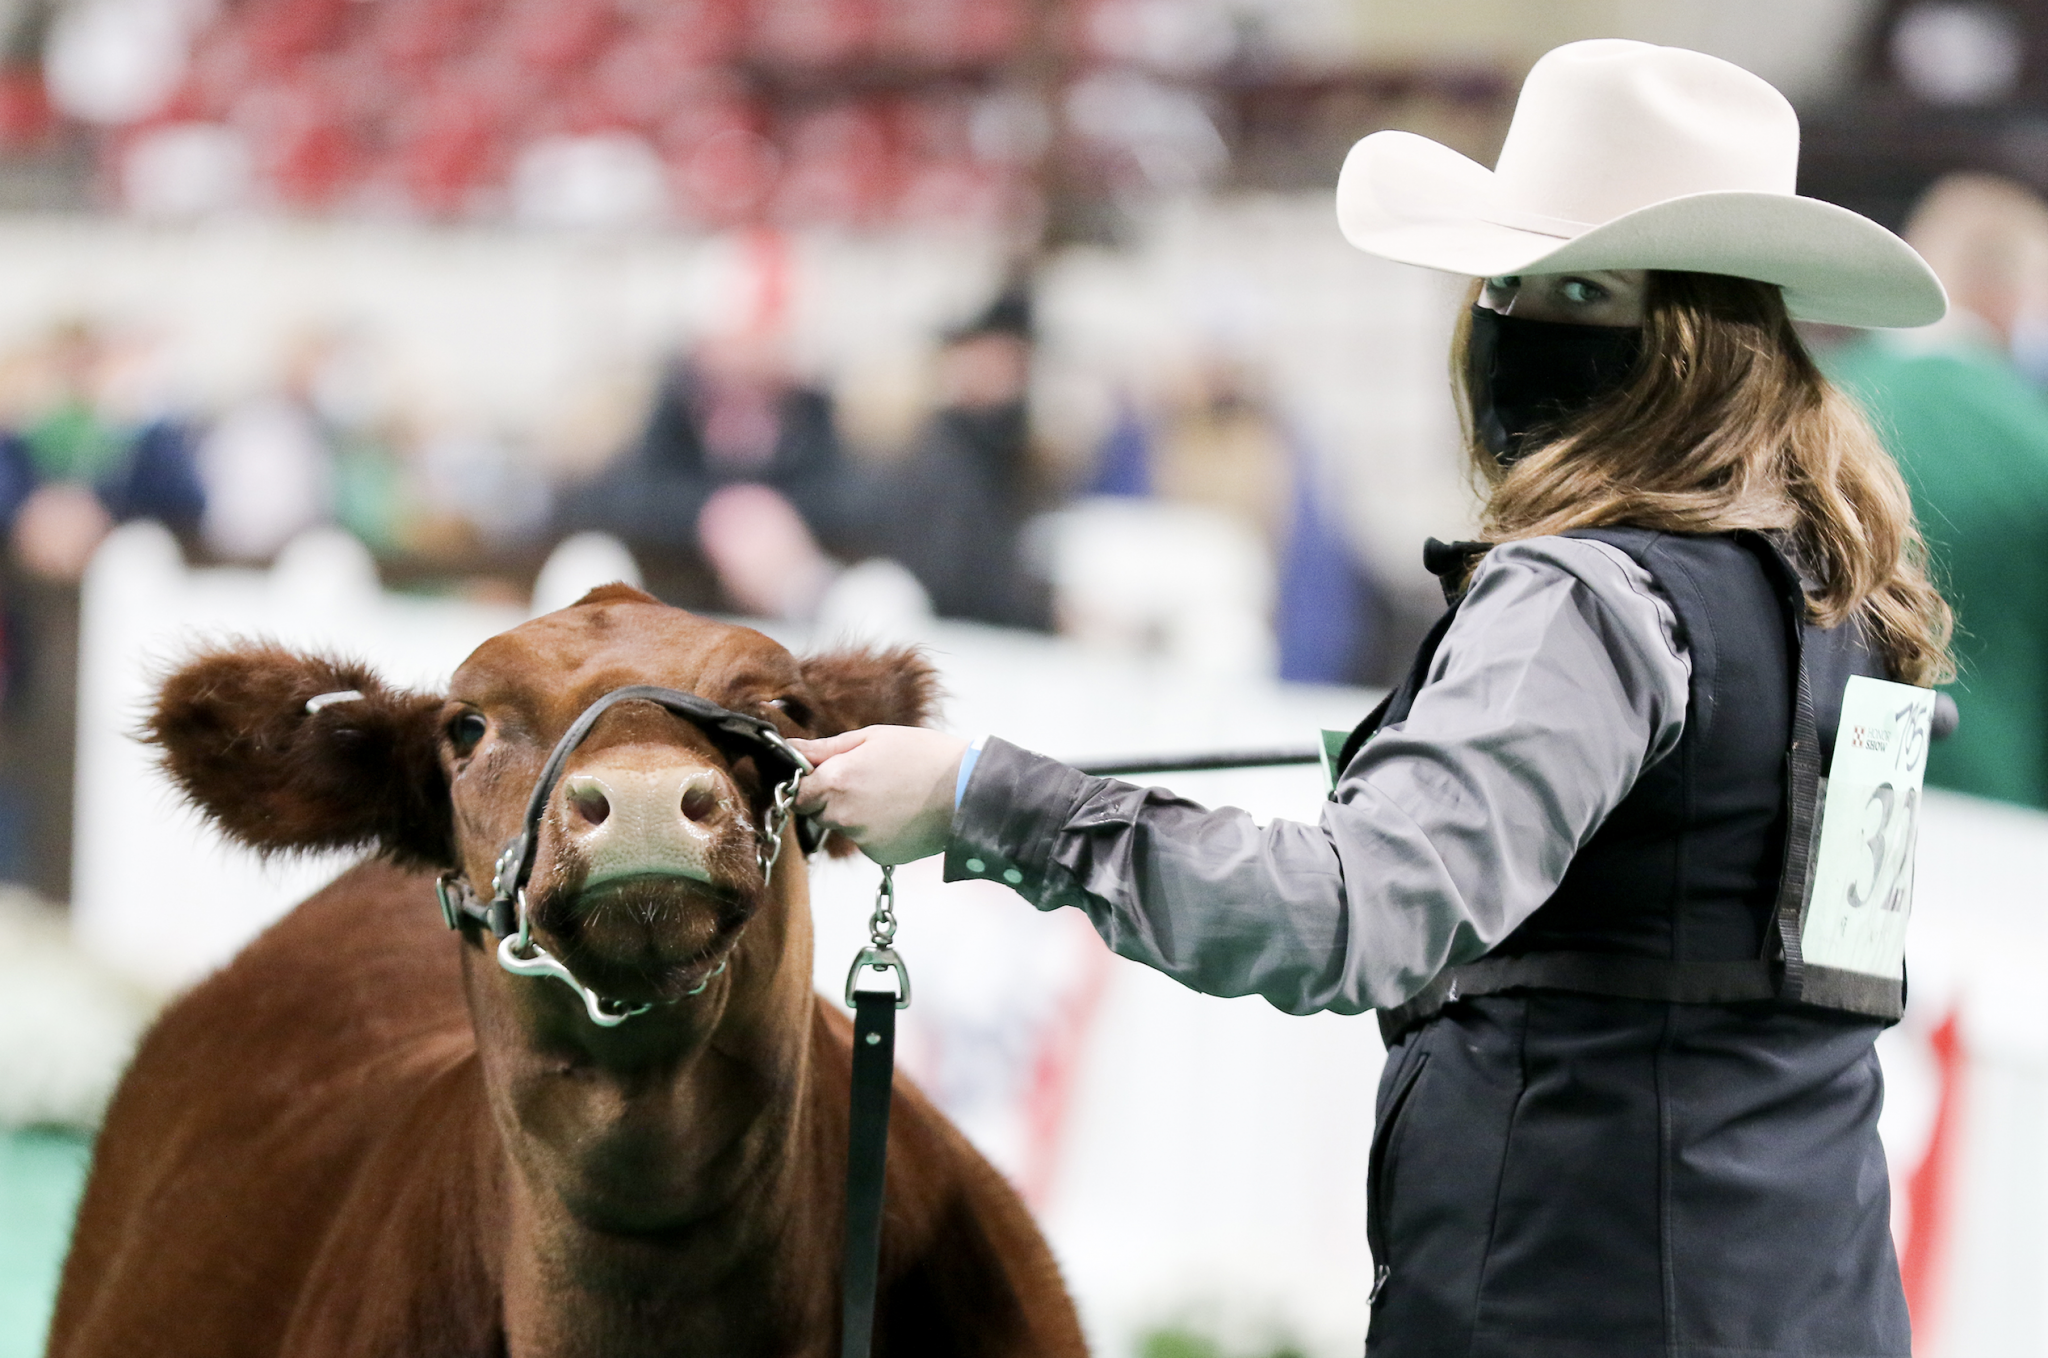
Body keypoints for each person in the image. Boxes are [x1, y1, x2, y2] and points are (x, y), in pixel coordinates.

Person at [790, 39, 1953, 1358]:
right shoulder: (1848, 599)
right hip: (1815, 1303)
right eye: (1506, 279)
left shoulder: (1580, 601)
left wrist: (981, 798)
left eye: (1579, 286)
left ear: (1695, 333)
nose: (1513, 321)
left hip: (1568, 1305)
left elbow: (1350, 913)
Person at [1821, 173, 2048, 808]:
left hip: (1825, 797)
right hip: (2000, 804)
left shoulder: (1803, 409)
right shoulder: (2033, 439)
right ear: (2006, 291)